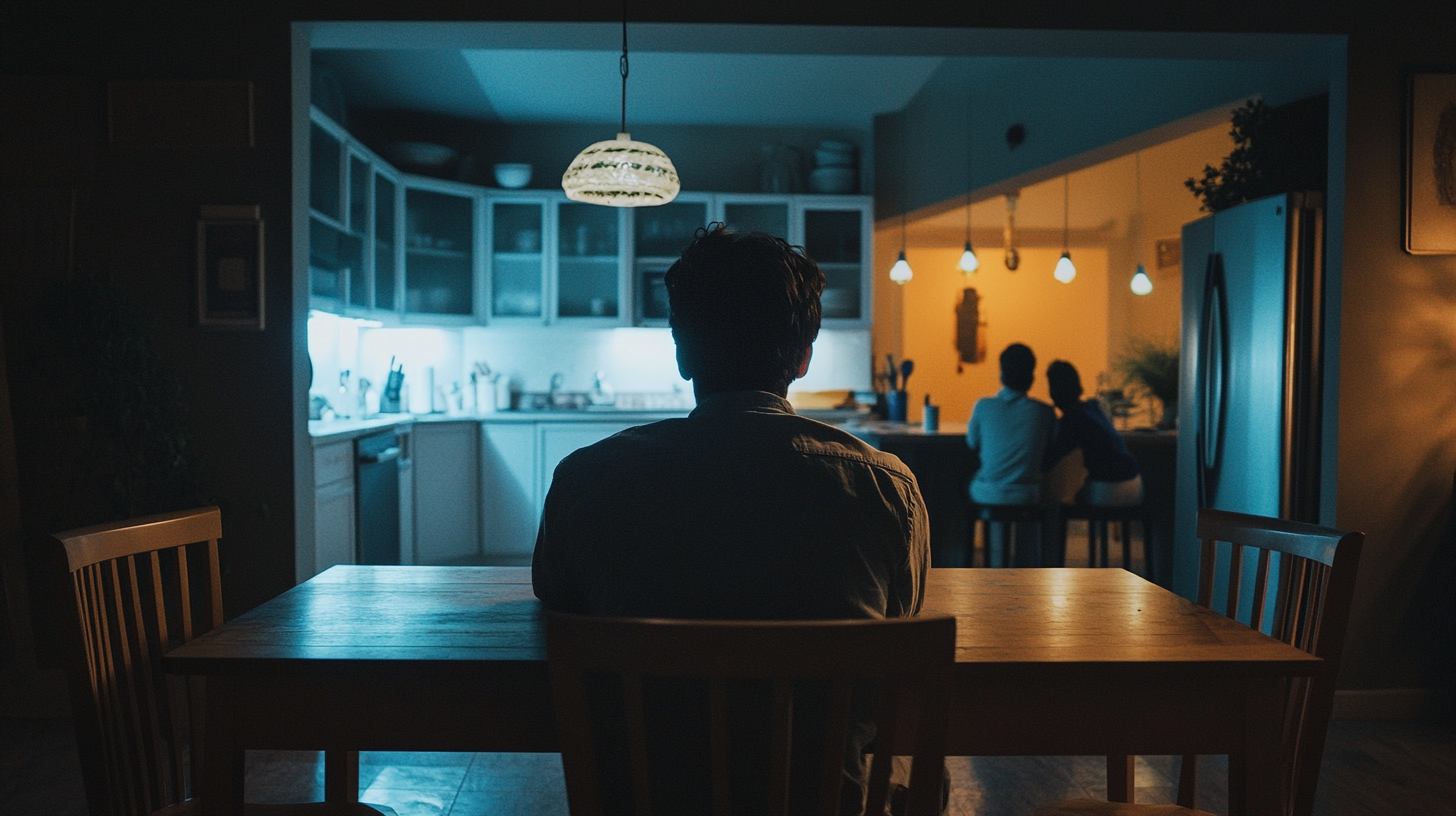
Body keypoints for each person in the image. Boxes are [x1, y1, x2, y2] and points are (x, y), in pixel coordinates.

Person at [533, 224, 930, 815]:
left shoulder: (585, 479)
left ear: (682, 352)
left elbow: (557, 608)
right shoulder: (886, 488)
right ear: (804, 357)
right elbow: (899, 628)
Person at [965, 344, 1057, 566]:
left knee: (966, 483)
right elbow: (1050, 448)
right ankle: (1029, 565)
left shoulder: (983, 406)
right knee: (1045, 490)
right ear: (1032, 376)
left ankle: (981, 561)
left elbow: (972, 443)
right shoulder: (1044, 412)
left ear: (1001, 373)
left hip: (987, 493)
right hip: (1028, 494)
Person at [1044, 360, 1142, 506]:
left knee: (1062, 504)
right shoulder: (1094, 407)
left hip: (1109, 486)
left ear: (1053, 392)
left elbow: (1051, 458)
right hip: (1135, 485)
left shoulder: (1073, 418)